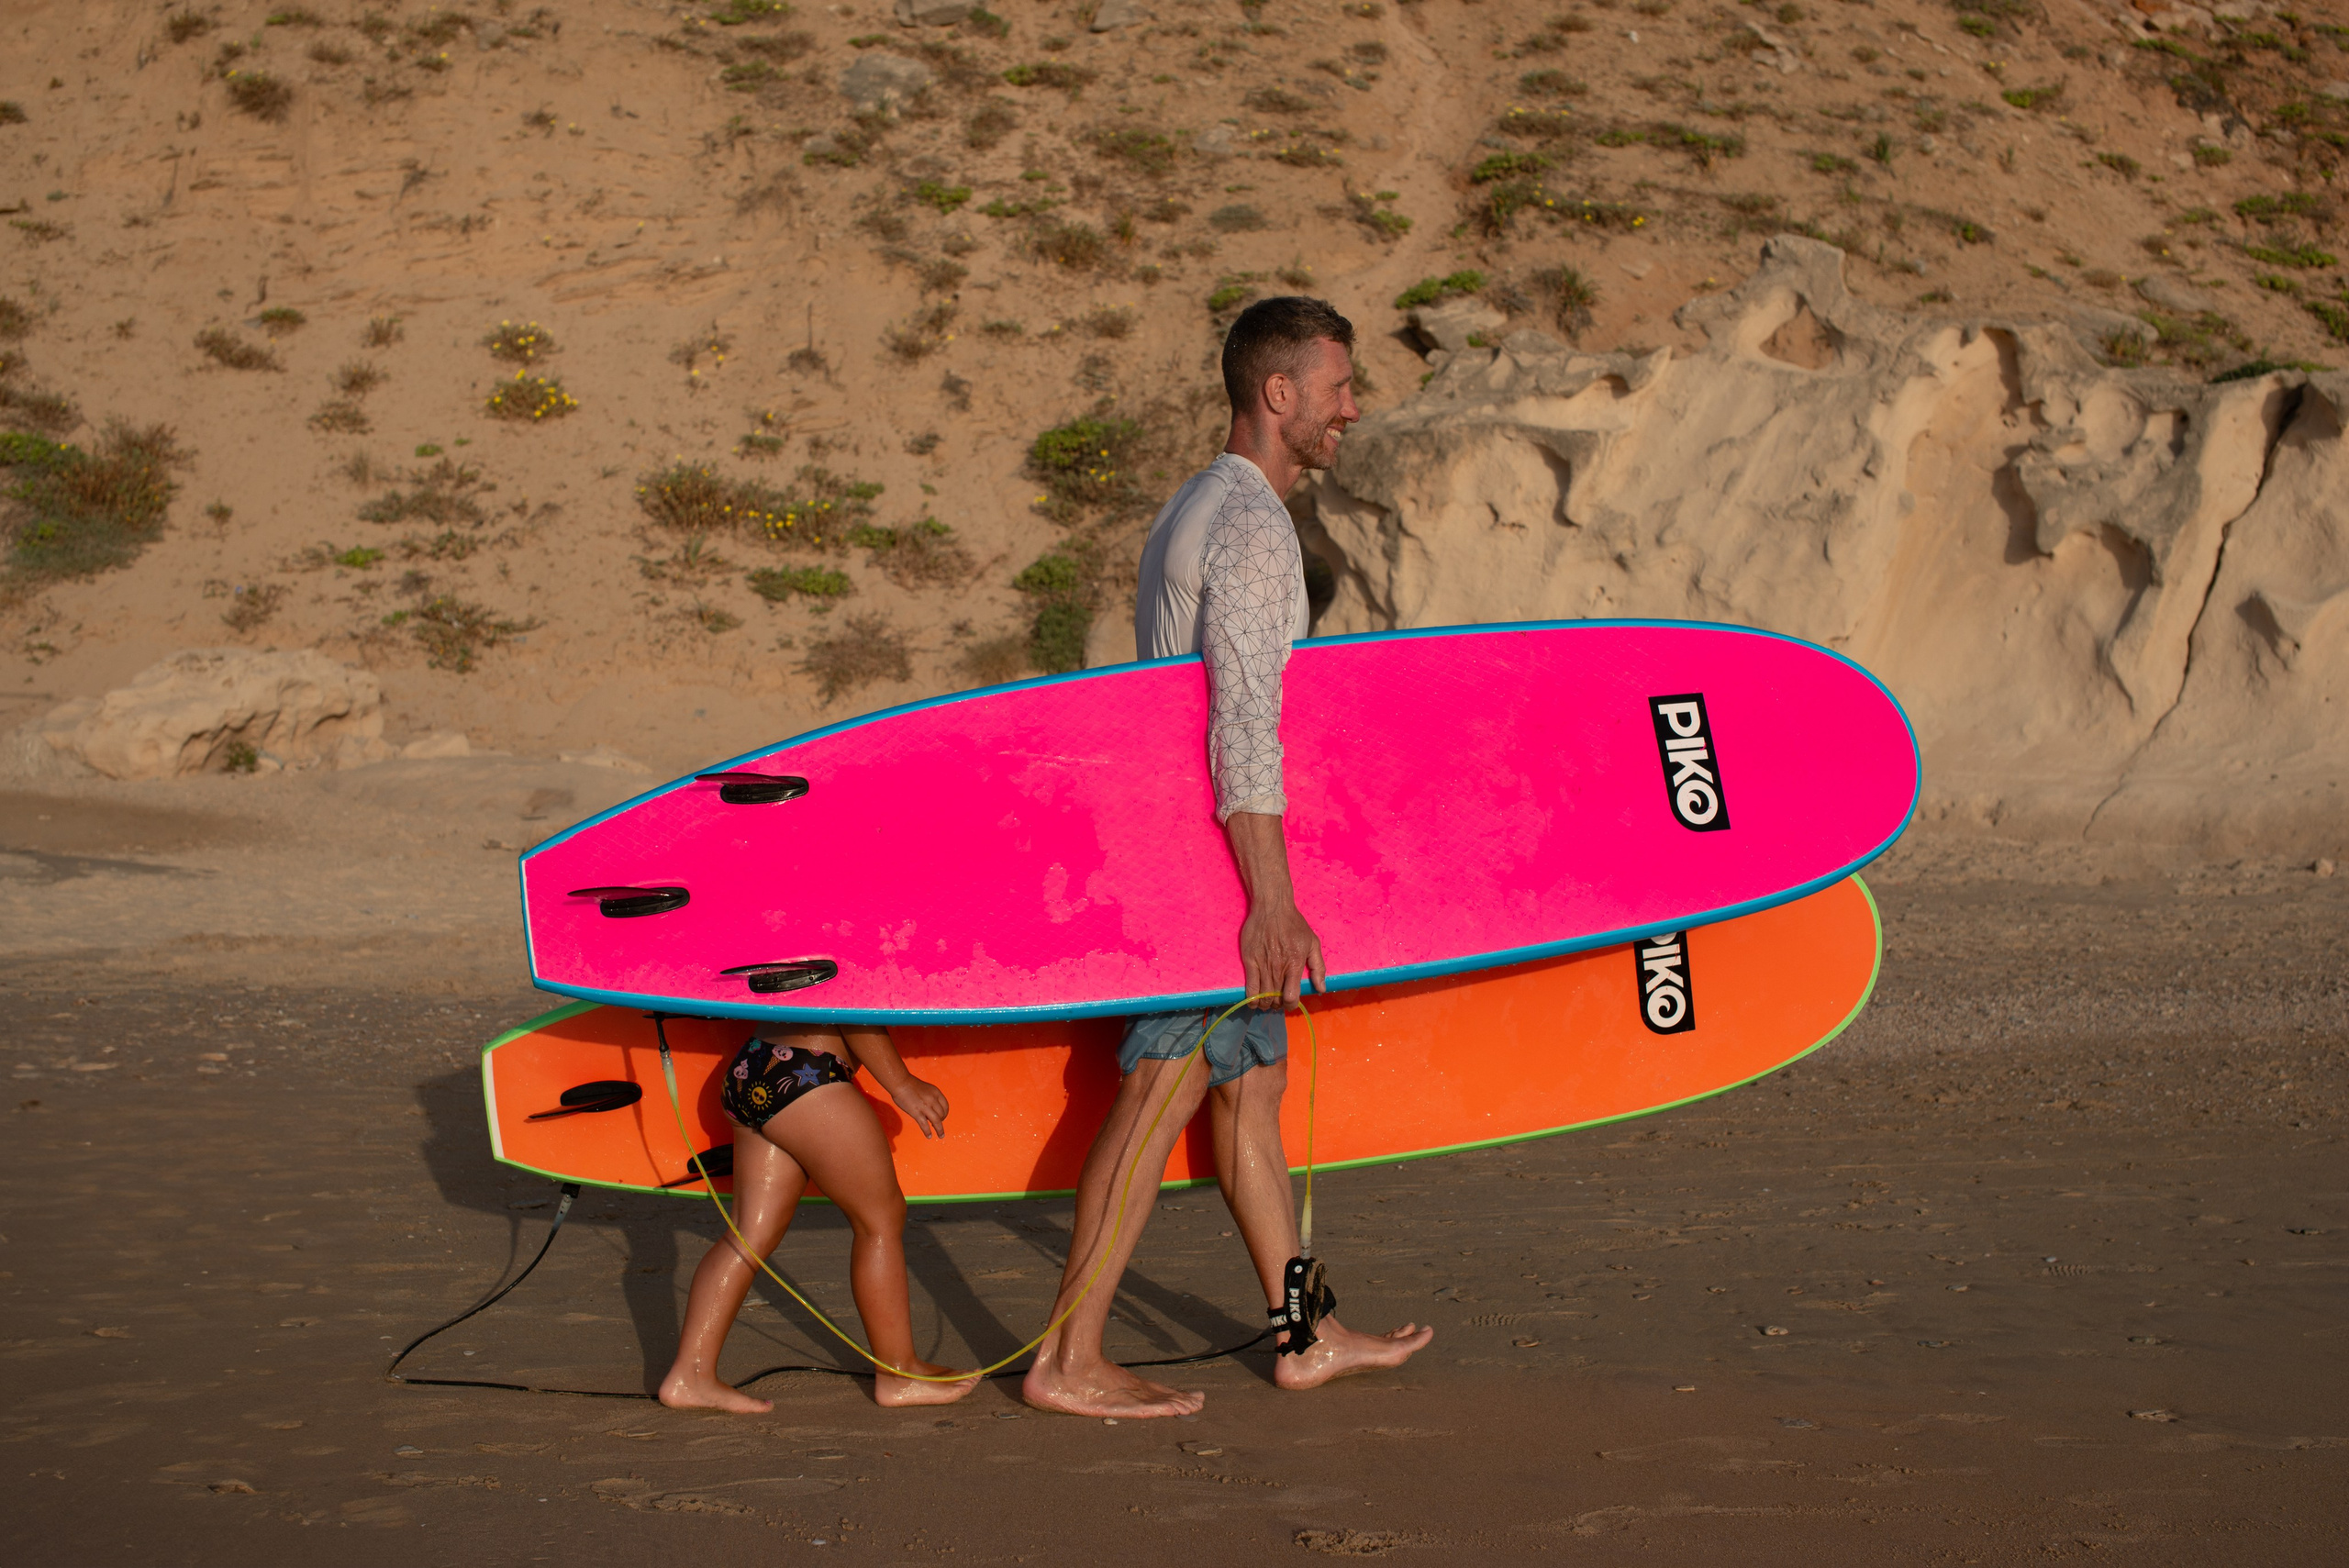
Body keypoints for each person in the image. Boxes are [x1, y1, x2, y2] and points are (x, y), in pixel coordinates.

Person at [1021, 296, 1435, 1419]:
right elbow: (1242, 724)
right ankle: (1067, 1357)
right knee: (1159, 1093)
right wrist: (1270, 900)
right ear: (1278, 391)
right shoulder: (1251, 526)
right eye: (1337, 387)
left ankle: (1306, 1334)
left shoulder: (1198, 500)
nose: (1352, 407)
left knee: (1251, 1089)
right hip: (1203, 871)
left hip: (1197, 849)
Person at [658, 1025, 978, 1411]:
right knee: (879, 1221)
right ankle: (899, 1373)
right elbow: (851, 1008)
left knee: (748, 1234)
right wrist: (902, 1083)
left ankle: (690, 1376)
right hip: (807, 1074)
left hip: (754, 1064)